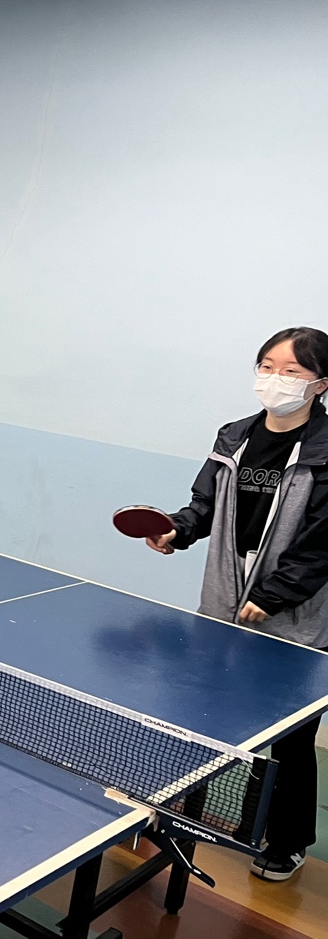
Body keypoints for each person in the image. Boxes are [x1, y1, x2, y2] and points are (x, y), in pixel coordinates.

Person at [145, 326, 328, 883]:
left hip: (296, 608)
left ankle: (288, 840)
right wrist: (178, 530)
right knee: (202, 709)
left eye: (291, 371)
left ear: (320, 384)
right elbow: (205, 504)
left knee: (290, 734)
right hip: (226, 591)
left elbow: (323, 540)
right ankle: (173, 812)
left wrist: (274, 596)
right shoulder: (234, 437)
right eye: (267, 366)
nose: (275, 379)